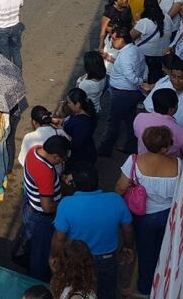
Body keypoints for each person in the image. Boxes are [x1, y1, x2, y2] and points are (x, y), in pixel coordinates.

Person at [115, 127, 179, 296]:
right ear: (165, 147)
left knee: (145, 252)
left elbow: (121, 187)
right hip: (169, 215)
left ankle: (144, 287)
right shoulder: (179, 165)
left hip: (143, 216)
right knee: (163, 250)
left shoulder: (134, 161)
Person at [52, 166, 133, 299]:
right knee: (107, 292)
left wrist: (54, 255)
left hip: (77, 261)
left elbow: (59, 237)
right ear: (98, 180)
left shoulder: (66, 204)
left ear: (74, 185)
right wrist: (128, 247)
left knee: (77, 291)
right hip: (107, 260)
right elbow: (127, 229)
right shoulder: (115, 200)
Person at [22, 135, 71, 281]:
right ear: (55, 156)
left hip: (30, 207)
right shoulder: (45, 172)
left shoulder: (34, 150)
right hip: (41, 219)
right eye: (62, 159)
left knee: (33, 247)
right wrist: (65, 203)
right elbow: (47, 207)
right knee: (41, 256)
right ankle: (37, 284)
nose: (62, 162)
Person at [97, 28, 147, 157]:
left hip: (122, 93)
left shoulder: (125, 55)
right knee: (130, 119)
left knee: (113, 121)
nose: (112, 41)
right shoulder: (133, 49)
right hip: (130, 92)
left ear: (122, 40)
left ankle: (106, 147)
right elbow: (143, 66)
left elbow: (130, 76)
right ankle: (131, 144)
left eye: (114, 39)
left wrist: (140, 81)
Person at [142, 59, 183, 131]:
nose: (176, 81)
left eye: (180, 78)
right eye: (173, 76)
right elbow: (148, 108)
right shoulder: (163, 86)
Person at [134, 88, 183, 158]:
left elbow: (137, 135)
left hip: (142, 162)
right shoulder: (181, 132)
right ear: (171, 109)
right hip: (168, 166)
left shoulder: (139, 118)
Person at [132, 0, 174, 83]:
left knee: (144, 79)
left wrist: (136, 21)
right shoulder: (167, 18)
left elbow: (130, 36)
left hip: (145, 56)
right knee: (156, 80)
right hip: (162, 56)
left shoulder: (144, 22)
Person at [62, 88, 98, 167]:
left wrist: (61, 131)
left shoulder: (81, 124)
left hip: (80, 158)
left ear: (78, 104)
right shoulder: (81, 113)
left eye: (69, 103)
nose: (68, 104)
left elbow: (75, 143)